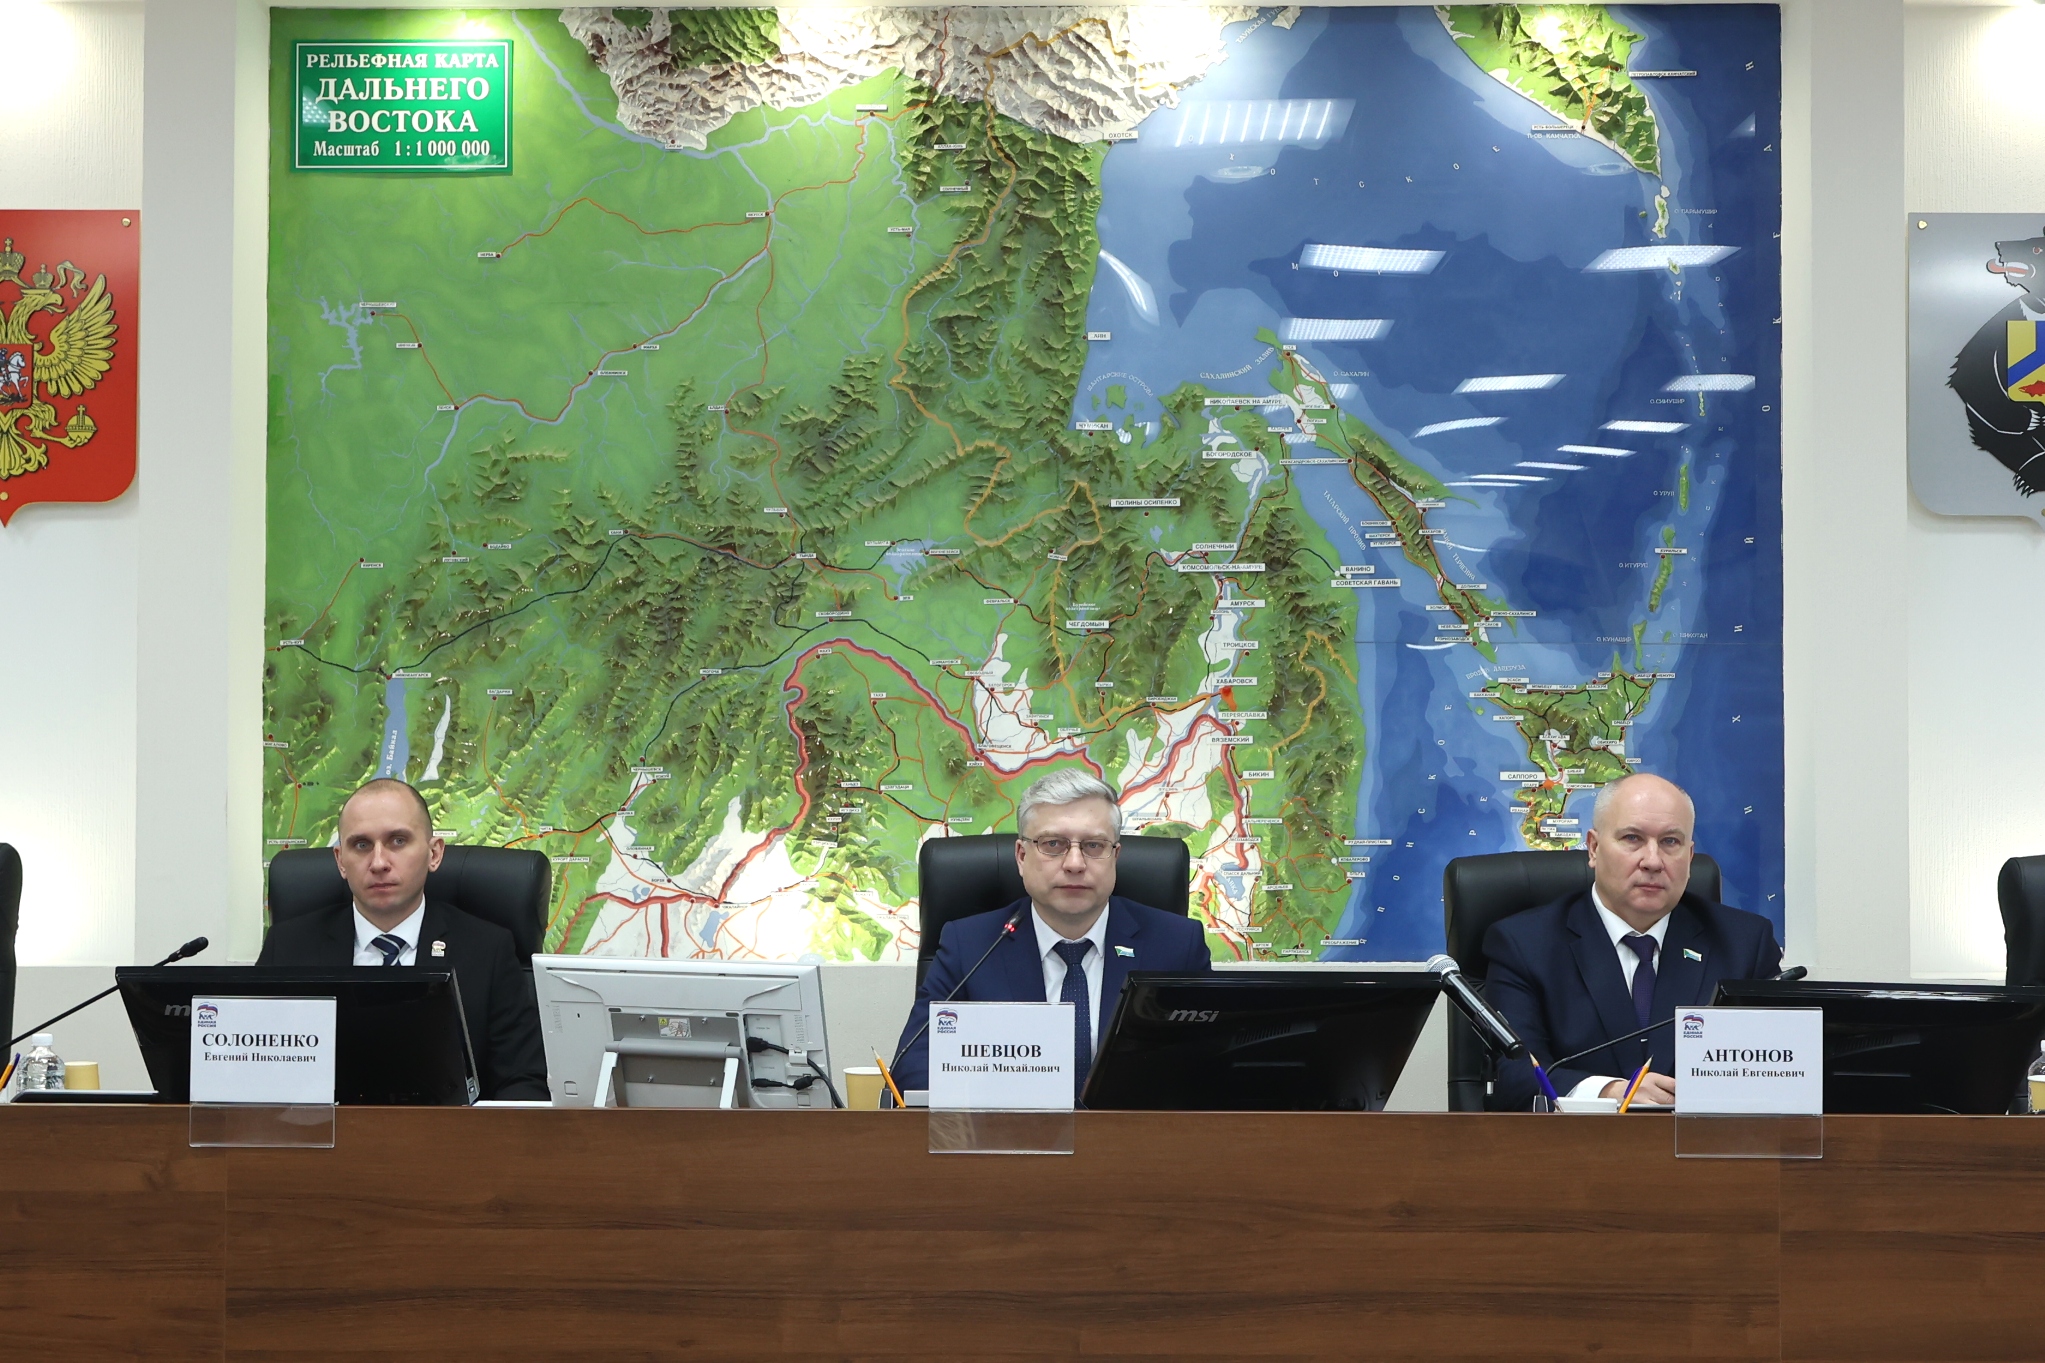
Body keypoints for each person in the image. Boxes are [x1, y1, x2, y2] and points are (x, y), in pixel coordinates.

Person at [890, 769, 1211, 1097]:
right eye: (1053, 844)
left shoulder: (1177, 945)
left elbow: (1209, 1068)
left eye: (1094, 845)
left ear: (1115, 856)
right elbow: (913, 1070)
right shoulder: (970, 946)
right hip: (1007, 1127)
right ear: (1021, 856)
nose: (1075, 863)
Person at [1482, 772, 1782, 1110]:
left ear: (1689, 856)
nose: (1653, 861)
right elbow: (1515, 1077)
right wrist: (1611, 1092)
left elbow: (1782, 1072)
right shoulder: (1524, 945)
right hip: (1574, 1141)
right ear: (1594, 848)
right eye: (1632, 838)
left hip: (1705, 1140)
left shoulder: (1745, 943)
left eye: (1670, 842)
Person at [257, 777, 550, 1101]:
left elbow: (524, 1083)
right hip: (321, 1131)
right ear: (340, 861)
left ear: (434, 853)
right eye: (361, 845)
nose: (379, 863)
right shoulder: (287, 947)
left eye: (397, 841)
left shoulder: (487, 950)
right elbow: (252, 1069)